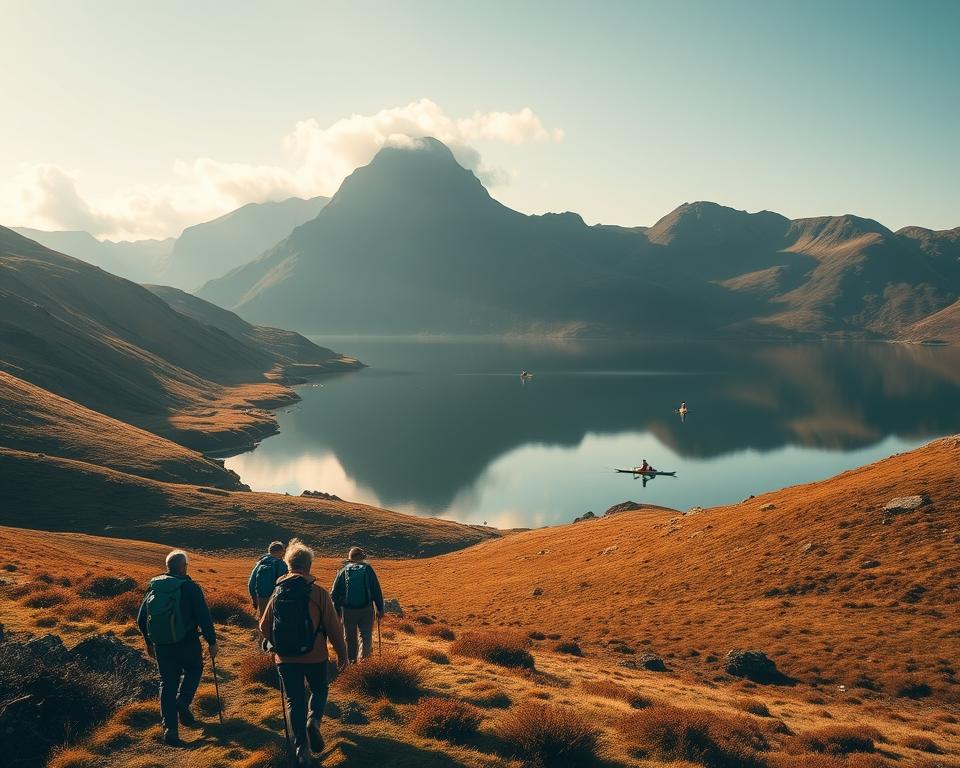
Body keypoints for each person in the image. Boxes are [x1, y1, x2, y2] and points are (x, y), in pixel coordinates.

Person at [260, 539, 347, 766]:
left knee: (294, 701)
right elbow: (334, 629)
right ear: (309, 566)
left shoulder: (278, 590)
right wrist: (343, 655)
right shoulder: (318, 593)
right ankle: (314, 721)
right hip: (315, 656)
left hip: (285, 658)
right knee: (319, 689)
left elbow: (263, 626)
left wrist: (275, 642)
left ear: (288, 565)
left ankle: (301, 750)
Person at [137, 549, 217, 746]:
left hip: (162, 645)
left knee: (167, 683)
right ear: (184, 567)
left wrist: (149, 642)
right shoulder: (190, 587)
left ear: (168, 567)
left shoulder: (154, 586)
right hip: (187, 641)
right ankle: (183, 702)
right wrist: (212, 641)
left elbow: (141, 619)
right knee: (194, 669)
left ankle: (170, 729)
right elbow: (203, 617)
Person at [331, 547, 385, 663]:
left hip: (348, 610)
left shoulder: (344, 570)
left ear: (350, 559)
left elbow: (334, 593)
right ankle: (364, 662)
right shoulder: (368, 569)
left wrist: (337, 610)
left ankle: (351, 663)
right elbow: (376, 590)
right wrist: (380, 609)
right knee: (365, 635)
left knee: (349, 637)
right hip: (366, 608)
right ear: (362, 557)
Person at [248, 541, 288, 619]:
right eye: (283, 551)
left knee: (263, 619)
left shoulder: (261, 563)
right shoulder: (282, 564)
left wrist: (254, 598)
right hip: (276, 597)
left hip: (261, 597)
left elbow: (251, 582)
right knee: (275, 620)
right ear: (279, 552)